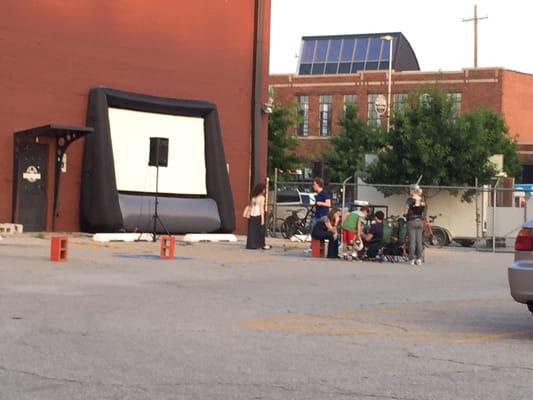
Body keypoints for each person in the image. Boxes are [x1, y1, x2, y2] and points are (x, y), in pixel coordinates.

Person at [405, 184, 426, 265]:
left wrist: (405, 214)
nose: (410, 191)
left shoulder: (410, 200)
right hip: (420, 221)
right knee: (419, 241)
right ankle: (419, 259)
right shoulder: (422, 200)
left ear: (413, 191)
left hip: (412, 221)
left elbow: (406, 211)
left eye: (410, 190)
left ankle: (411, 259)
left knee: (412, 241)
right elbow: (423, 210)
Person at [245, 183, 271, 250]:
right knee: (260, 231)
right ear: (261, 190)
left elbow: (250, 207)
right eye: (264, 189)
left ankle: (251, 244)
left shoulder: (253, 197)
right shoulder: (262, 198)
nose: (264, 191)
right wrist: (262, 219)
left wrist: (248, 214)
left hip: (252, 215)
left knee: (252, 231)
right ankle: (262, 245)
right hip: (258, 215)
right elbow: (261, 208)